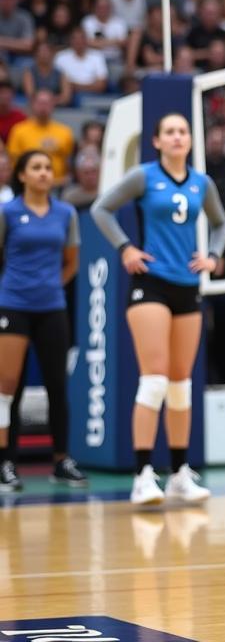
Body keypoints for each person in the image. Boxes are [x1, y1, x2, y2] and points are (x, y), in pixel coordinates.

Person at [90, 113, 225, 506]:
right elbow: (102, 209)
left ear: (190, 140)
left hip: (187, 287)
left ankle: (180, 474)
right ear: (156, 140)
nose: (177, 137)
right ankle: (141, 476)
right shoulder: (144, 176)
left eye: (183, 131)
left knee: (180, 384)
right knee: (153, 380)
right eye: (169, 131)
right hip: (150, 284)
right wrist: (126, 247)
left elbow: (222, 224)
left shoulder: (203, 183)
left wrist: (214, 255)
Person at [0, 152, 85, 493]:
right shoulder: (8, 212)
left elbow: (72, 263)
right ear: (21, 175)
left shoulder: (66, 213)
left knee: (57, 387)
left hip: (52, 306)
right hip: (13, 306)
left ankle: (62, 460)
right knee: (8, 389)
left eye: (48, 168)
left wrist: (48, 287)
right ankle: (6, 462)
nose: (44, 173)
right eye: (36, 167)